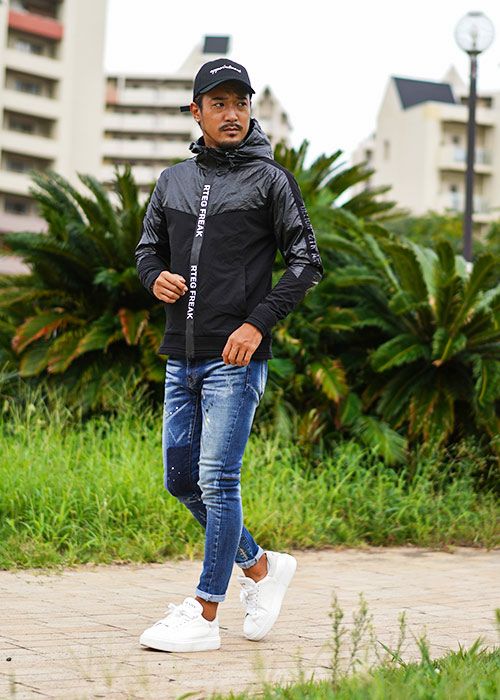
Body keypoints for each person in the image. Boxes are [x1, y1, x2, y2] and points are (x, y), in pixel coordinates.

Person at [135, 58, 323, 653]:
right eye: (218, 104)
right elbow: (146, 249)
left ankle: (205, 611)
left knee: (218, 479)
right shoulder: (172, 181)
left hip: (235, 359)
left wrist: (256, 324)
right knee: (181, 481)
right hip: (180, 353)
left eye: (240, 102)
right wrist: (154, 277)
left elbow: (307, 263)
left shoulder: (271, 181)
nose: (232, 113)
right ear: (197, 112)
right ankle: (261, 567)